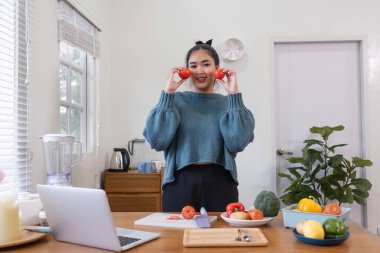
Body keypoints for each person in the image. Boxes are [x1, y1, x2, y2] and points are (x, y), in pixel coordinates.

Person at [143, 39, 255, 212]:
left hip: (221, 182)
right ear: (186, 70)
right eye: (193, 66)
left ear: (217, 68)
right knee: (176, 238)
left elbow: (238, 143)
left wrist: (234, 95)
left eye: (206, 64)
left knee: (221, 238)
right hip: (179, 182)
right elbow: (157, 141)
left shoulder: (228, 104)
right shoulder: (174, 102)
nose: (199, 71)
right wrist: (167, 94)